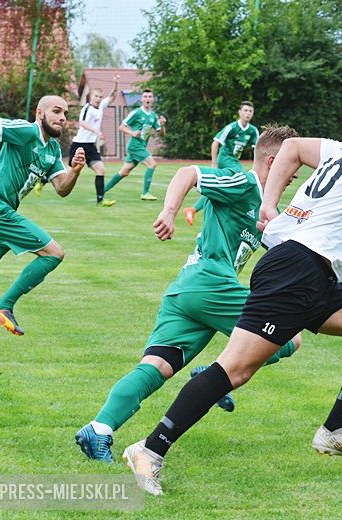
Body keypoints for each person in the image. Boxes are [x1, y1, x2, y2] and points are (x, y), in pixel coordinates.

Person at [122, 99, 342, 495]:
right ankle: (149, 449)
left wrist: (269, 204)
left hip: (314, 272)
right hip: (298, 269)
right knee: (235, 370)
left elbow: (293, 148)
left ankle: (335, 429)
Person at [75, 125, 303, 464]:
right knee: (292, 335)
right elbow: (188, 173)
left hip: (188, 288)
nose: (292, 178)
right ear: (273, 161)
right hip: (210, 282)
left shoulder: (263, 206)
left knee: (158, 366)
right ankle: (215, 373)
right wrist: (168, 212)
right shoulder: (243, 183)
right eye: (292, 170)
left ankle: (99, 429)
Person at [0, 96, 87, 335]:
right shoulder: (27, 131)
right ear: (40, 113)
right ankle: (4, 305)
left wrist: (76, 171)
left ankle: (3, 305)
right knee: (54, 253)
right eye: (56, 111)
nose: (62, 117)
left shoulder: (52, 149)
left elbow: (61, 188)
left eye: (66, 114)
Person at [184, 101, 259, 226]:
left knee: (219, 187)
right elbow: (216, 142)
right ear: (240, 112)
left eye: (250, 111)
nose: (248, 113)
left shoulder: (252, 131)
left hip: (234, 160)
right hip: (225, 159)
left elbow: (257, 149)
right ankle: (242, 214)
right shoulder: (231, 127)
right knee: (242, 180)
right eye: (245, 110)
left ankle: (192, 210)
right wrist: (214, 163)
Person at [103, 89, 166, 201]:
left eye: (150, 97)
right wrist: (132, 133)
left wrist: (162, 125)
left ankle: (101, 191)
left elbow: (161, 134)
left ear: (152, 100)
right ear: (141, 99)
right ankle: (145, 193)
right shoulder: (137, 113)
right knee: (152, 164)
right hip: (135, 146)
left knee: (124, 172)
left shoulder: (153, 115)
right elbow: (121, 127)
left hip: (141, 146)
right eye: (145, 96)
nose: (147, 99)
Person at [71, 74, 119, 207]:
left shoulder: (101, 106)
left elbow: (112, 96)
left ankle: (100, 200)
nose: (98, 99)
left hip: (90, 146)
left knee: (100, 170)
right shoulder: (87, 108)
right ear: (91, 97)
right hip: (79, 144)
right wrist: (96, 131)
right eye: (96, 96)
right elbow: (82, 123)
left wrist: (115, 84)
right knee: (70, 171)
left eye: (100, 97)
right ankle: (44, 180)